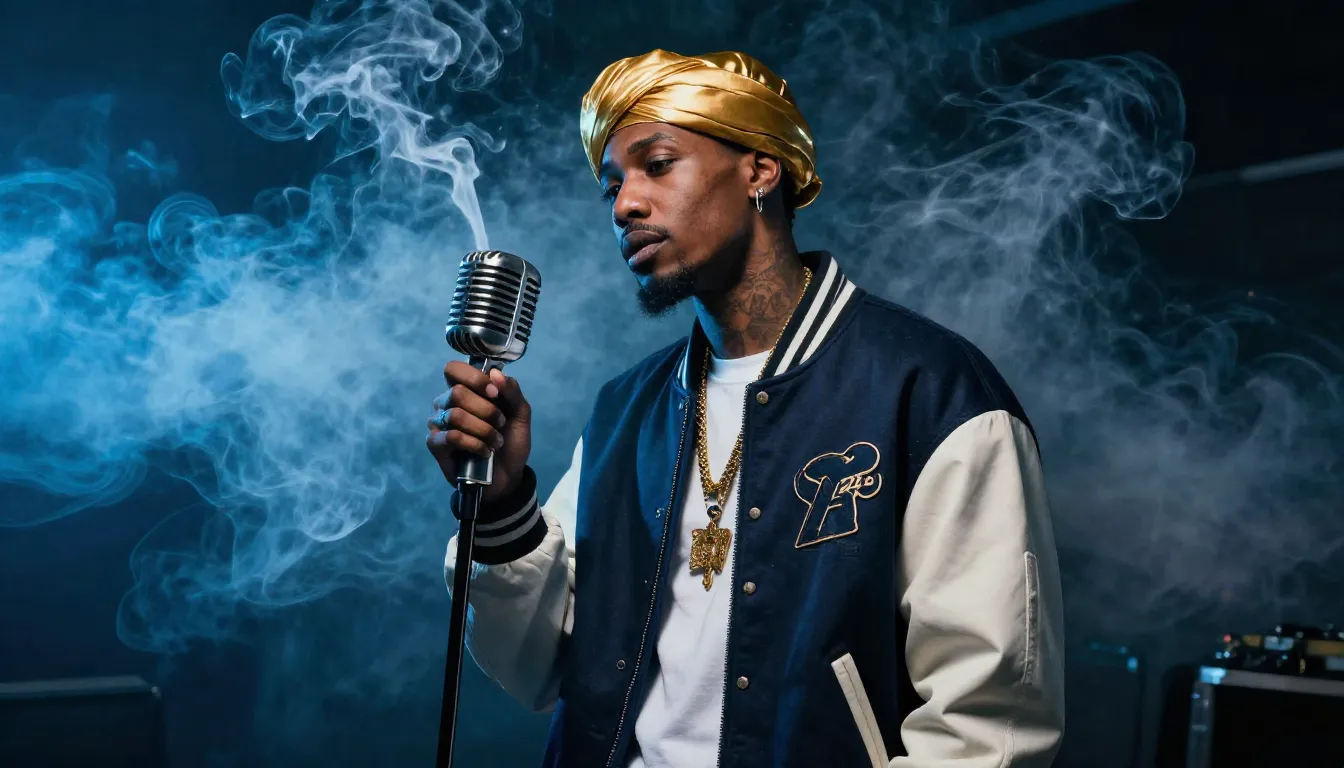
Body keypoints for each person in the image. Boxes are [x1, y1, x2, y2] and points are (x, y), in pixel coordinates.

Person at [428, 48, 1065, 768]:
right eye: (612, 188)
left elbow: (985, 723)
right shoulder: (624, 411)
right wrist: (504, 504)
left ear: (761, 170)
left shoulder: (929, 389)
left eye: (657, 164)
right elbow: (540, 669)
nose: (626, 204)